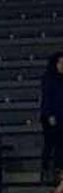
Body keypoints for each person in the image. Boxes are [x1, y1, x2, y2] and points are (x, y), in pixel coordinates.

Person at [41, 52, 63, 183]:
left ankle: (59, 170)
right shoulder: (49, 78)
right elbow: (47, 99)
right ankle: (46, 170)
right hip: (51, 117)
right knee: (50, 144)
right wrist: (49, 115)